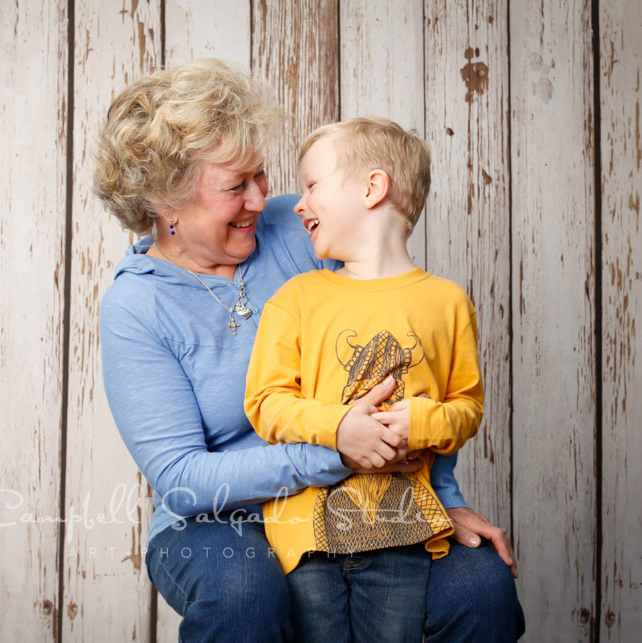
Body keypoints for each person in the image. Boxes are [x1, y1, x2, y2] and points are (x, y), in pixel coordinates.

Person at [95, 59, 524, 642]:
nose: (262, 199)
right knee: (243, 593)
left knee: (481, 585)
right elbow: (184, 478)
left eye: (261, 175)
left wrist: (438, 500)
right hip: (224, 516)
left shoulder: (299, 227)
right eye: (234, 186)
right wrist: (337, 456)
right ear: (165, 203)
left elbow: (414, 362)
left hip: (369, 493)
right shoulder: (135, 307)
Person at [244, 116, 484, 641]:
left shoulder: (447, 303)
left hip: (401, 534)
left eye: (311, 185)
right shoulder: (297, 299)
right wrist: (338, 428)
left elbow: (468, 407)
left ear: (373, 188)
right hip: (307, 537)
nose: (298, 204)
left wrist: (420, 421)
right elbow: (264, 402)